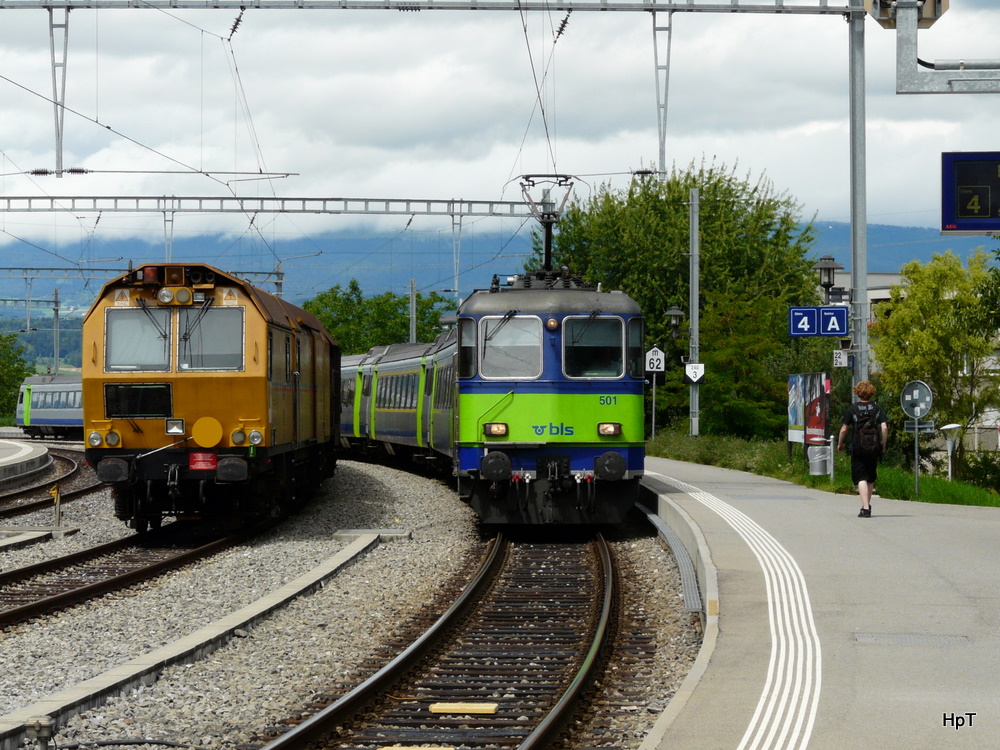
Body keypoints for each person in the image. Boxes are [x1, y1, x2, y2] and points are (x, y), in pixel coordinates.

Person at [837, 380, 889, 518]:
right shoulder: (876, 409)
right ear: (871, 392)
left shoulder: (852, 409)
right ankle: (867, 505)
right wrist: (883, 444)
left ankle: (865, 508)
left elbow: (844, 429)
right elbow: (884, 427)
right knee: (870, 478)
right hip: (873, 447)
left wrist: (840, 444)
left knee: (861, 477)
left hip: (858, 447)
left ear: (857, 392)